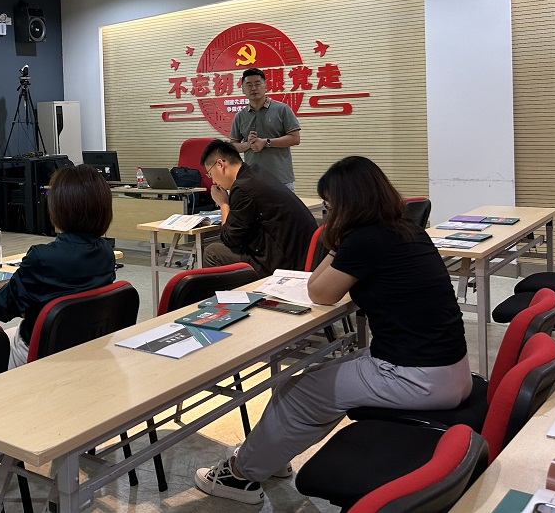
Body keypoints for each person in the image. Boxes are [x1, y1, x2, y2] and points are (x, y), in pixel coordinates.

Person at [194, 156, 470, 504]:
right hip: (448, 369)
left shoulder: (365, 240)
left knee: (300, 392)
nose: (326, 214)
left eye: (329, 206)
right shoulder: (406, 229)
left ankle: (238, 477)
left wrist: (338, 238)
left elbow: (319, 292)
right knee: (307, 379)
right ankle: (267, 457)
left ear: (346, 205)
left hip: (415, 377)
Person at [0, 164, 116, 368]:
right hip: (88, 345)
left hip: (42, 351)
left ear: (60, 206)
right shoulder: (106, 253)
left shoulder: (41, 258)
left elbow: (1, 309)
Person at [201, 139, 317, 276]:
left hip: (285, 264)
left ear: (220, 164)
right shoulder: (256, 172)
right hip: (305, 256)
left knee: (212, 253)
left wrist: (224, 204)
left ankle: (239, 291)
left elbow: (230, 239)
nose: (213, 181)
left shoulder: (242, 188)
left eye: (210, 173)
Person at [229, 67, 302, 190]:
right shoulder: (240, 116)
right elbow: (233, 146)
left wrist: (266, 142)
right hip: (252, 180)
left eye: (258, 84)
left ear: (265, 86)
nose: (254, 88)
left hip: (281, 179)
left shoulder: (282, 109)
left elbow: (295, 138)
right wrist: (248, 145)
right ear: (243, 89)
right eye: (249, 85)